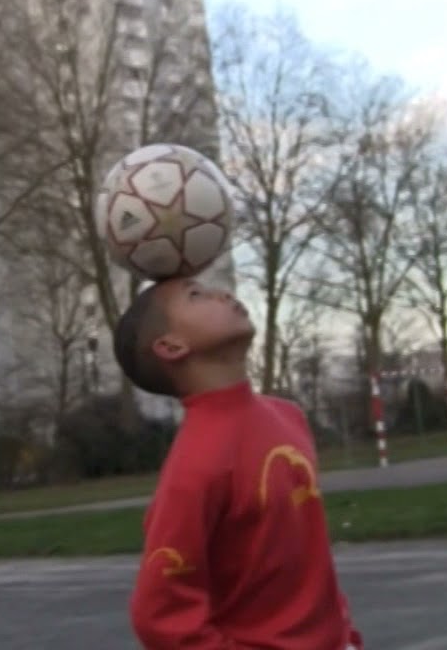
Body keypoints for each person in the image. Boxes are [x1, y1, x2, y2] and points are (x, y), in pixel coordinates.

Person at [114, 278, 363, 649]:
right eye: (196, 295)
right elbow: (159, 616)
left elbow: (308, 557)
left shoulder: (288, 416)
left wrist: (345, 634)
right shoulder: (195, 465)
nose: (223, 293)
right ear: (171, 346)